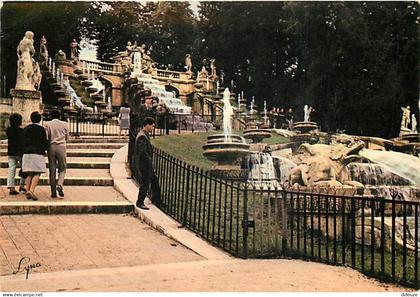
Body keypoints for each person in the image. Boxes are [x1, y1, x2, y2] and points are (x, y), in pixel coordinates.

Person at [135, 117, 161, 210]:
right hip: (145, 164)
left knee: (154, 180)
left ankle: (157, 200)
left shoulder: (144, 134)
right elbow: (142, 152)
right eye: (152, 126)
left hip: (147, 163)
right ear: (147, 125)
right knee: (145, 183)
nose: (153, 128)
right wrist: (149, 160)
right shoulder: (142, 136)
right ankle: (140, 202)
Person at [22, 111, 49, 200]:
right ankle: (31, 190)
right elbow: (45, 142)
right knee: (37, 172)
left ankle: (28, 190)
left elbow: (22, 141)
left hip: (27, 153)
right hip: (38, 153)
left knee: (29, 173)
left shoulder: (26, 128)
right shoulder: (42, 130)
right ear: (40, 119)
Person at [44, 109, 69, 198]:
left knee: (52, 169)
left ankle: (53, 192)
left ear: (51, 116)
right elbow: (67, 137)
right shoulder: (65, 124)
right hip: (61, 146)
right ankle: (60, 184)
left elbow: (46, 137)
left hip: (51, 146)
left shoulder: (47, 124)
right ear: (60, 116)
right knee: (62, 167)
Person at [6, 113, 26, 195]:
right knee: (24, 168)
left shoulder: (8, 130)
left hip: (11, 151)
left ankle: (11, 187)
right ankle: (22, 185)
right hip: (19, 152)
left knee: (11, 169)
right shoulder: (21, 131)